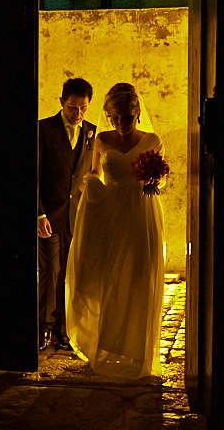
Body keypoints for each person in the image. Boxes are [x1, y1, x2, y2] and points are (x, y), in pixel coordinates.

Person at [65, 83, 166, 379]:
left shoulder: (152, 140)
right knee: (109, 278)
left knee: (141, 276)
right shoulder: (102, 140)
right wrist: (88, 184)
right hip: (111, 212)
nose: (121, 124)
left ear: (137, 113)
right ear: (109, 116)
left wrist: (154, 178)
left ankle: (139, 351)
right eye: (115, 118)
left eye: (127, 117)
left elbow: (161, 180)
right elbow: (96, 172)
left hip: (142, 211)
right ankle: (107, 345)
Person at [38, 78, 97, 351]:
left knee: (68, 273)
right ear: (62, 102)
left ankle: (63, 329)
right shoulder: (43, 129)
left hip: (78, 215)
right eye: (73, 107)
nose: (78, 114)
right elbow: (35, 175)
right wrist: (39, 214)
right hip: (49, 215)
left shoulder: (92, 132)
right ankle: (42, 327)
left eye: (83, 108)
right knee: (48, 271)